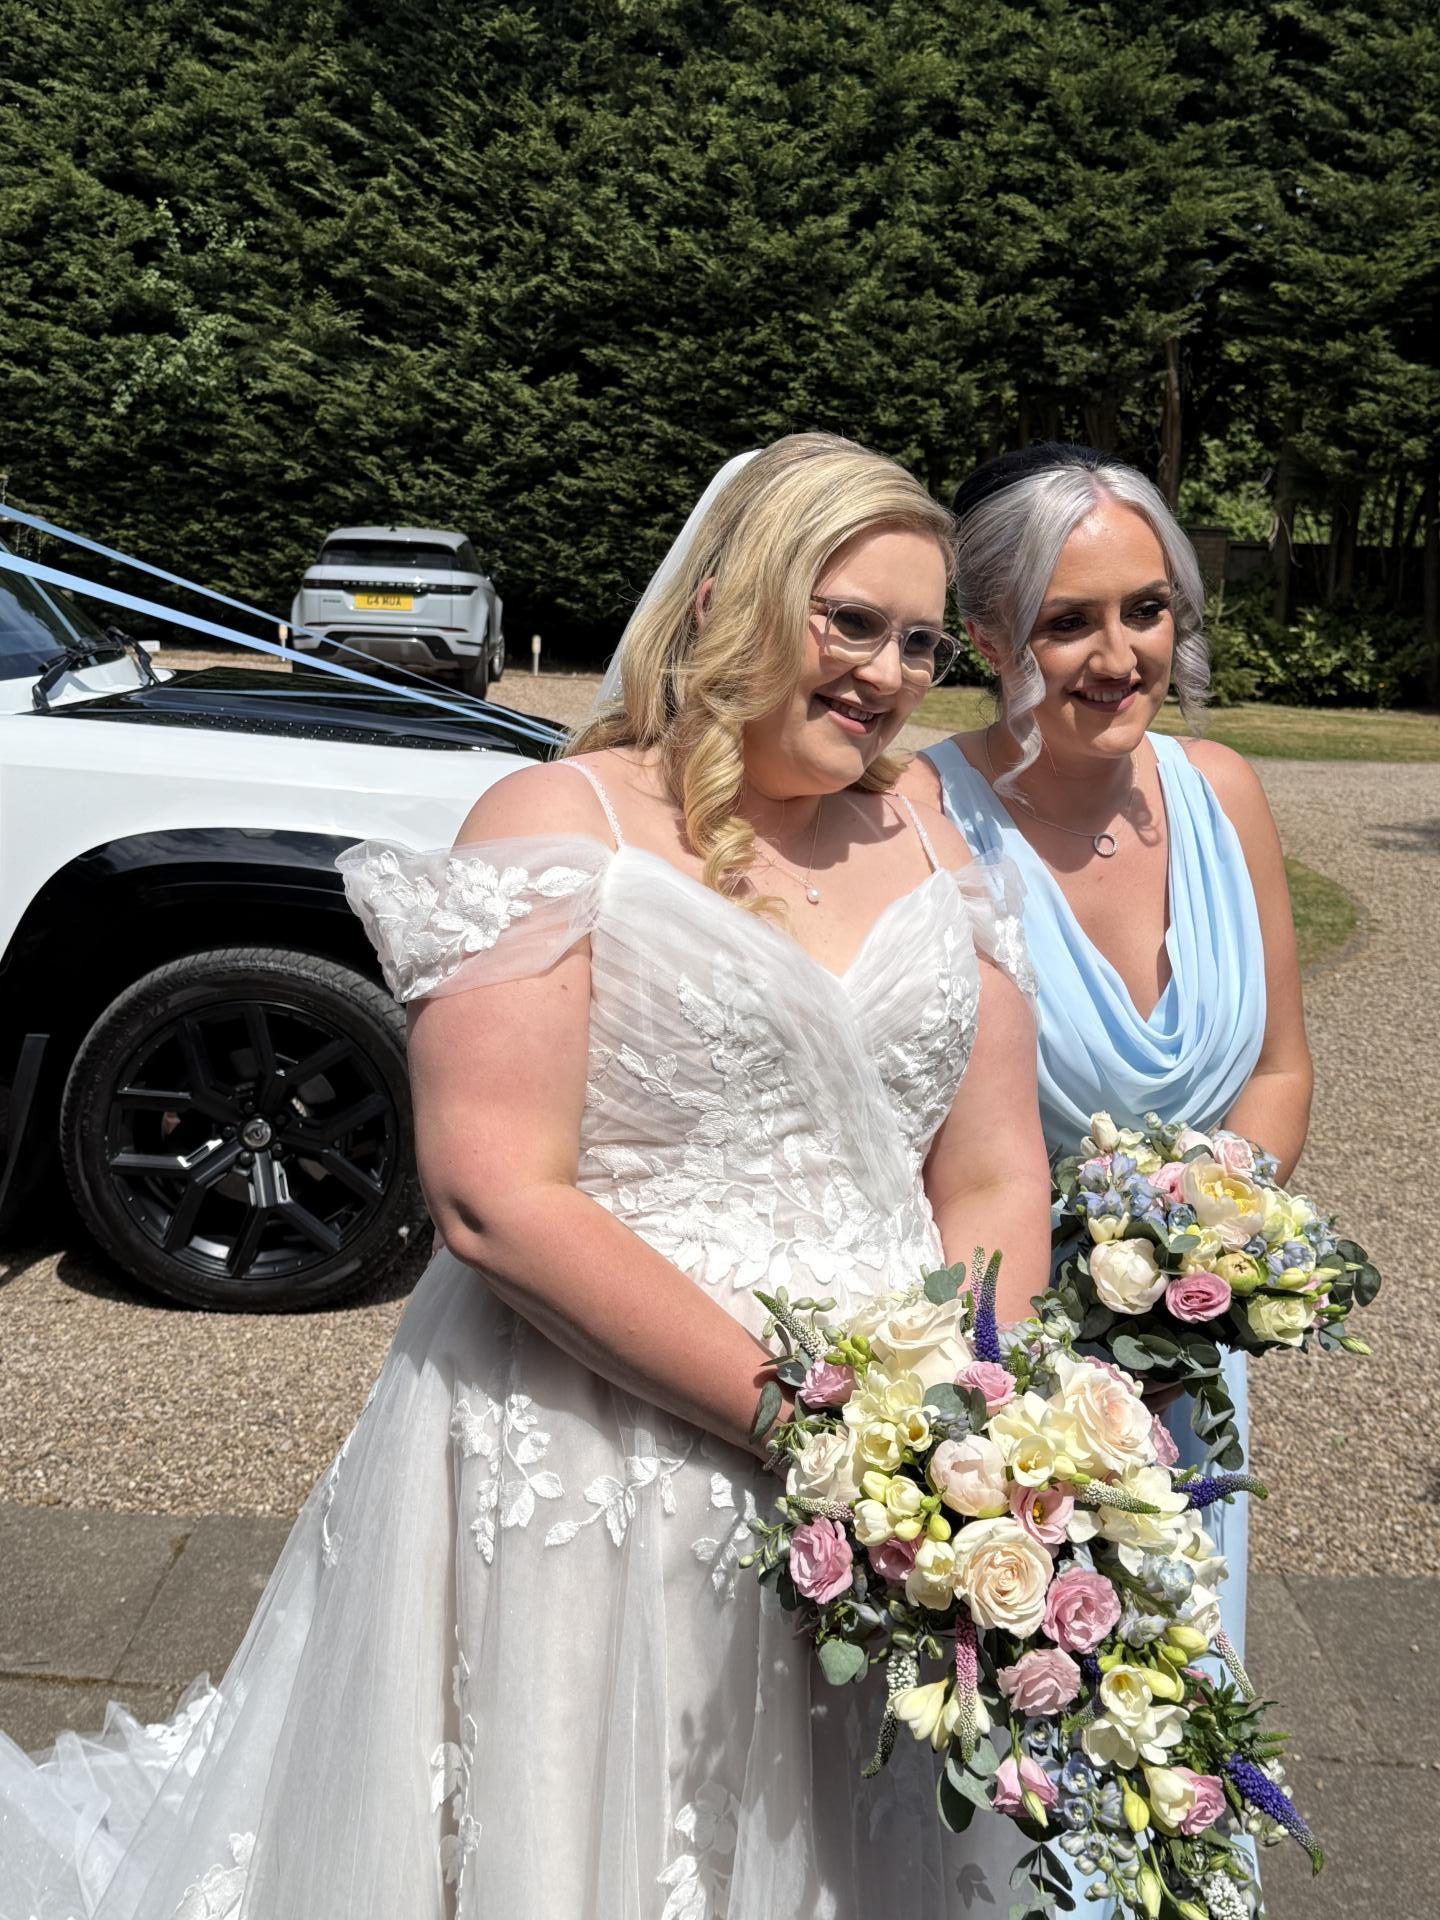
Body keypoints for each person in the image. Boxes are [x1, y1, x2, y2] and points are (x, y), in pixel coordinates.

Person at [0, 434, 1049, 1920]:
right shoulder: (561, 826)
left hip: (896, 1464)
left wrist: (972, 1412)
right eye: (851, 622)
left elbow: (996, 1169)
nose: (887, 674)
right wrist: (808, 1426)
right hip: (601, 1438)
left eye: (921, 641)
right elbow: (496, 1195)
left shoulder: (931, 835)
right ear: (727, 600)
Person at [905, 441, 1312, 1906]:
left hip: (1189, 1350)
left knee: (1172, 1721)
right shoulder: (918, 814)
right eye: (1068, 621)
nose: (1120, 653)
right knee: (1026, 1734)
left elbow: (1280, 1067)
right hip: (1008, 1364)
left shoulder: (1223, 791)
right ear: (986, 633)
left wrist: (1207, 1238)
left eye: (1147, 609)